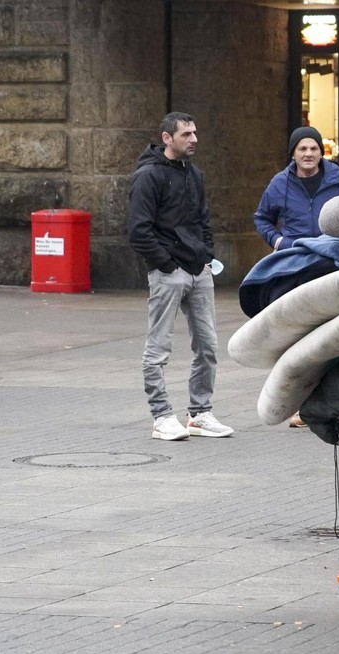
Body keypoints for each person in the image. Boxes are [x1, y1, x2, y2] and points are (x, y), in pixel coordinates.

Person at [127, 112, 233, 441]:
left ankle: (199, 414)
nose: (194, 139)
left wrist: (206, 256)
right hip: (168, 272)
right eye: (186, 134)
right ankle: (161, 416)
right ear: (167, 138)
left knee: (208, 345)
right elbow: (138, 230)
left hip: (197, 270)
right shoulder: (148, 176)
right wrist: (166, 264)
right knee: (158, 347)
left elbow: (203, 218)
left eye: (195, 133)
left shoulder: (194, 174)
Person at [253, 126, 339, 251]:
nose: (308, 154)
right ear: (293, 154)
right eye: (302, 149)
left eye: (314, 149)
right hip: (293, 255)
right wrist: (277, 241)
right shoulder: (279, 183)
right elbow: (262, 219)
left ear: (321, 154)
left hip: (331, 255)